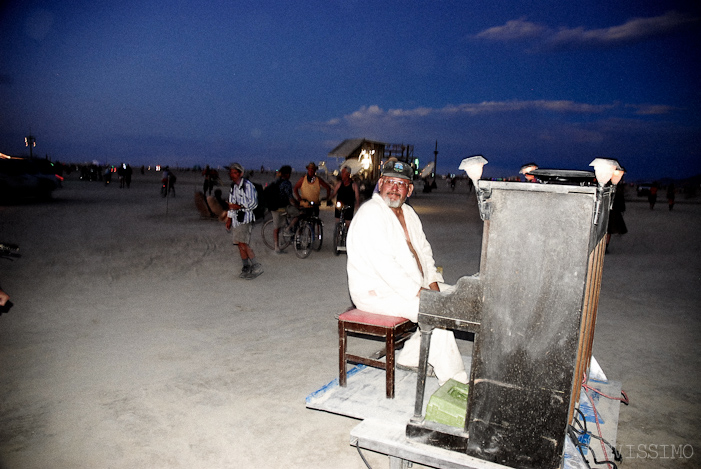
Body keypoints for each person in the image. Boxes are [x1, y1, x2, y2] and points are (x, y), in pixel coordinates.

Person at [346, 160, 469, 386]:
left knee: (458, 299)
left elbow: (424, 252)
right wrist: (424, 294)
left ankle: (411, 357)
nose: (394, 188)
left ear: (409, 189)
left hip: (411, 286)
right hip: (377, 292)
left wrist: (433, 285)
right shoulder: (371, 214)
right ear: (380, 183)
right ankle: (456, 383)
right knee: (436, 311)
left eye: (401, 184)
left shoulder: (409, 213)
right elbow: (386, 268)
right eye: (389, 182)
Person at [225, 163, 263, 279]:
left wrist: (239, 206)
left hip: (245, 219)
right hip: (237, 220)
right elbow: (231, 205)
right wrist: (229, 219)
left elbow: (253, 203)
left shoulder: (248, 186)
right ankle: (246, 266)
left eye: (235, 173)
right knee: (239, 244)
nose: (232, 175)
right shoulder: (234, 187)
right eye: (231, 172)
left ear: (241, 174)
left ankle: (256, 266)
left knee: (243, 243)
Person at [270, 165, 301, 253]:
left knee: (276, 227)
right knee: (298, 213)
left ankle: (276, 247)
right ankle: (288, 228)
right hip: (283, 207)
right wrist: (297, 205)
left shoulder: (276, 182)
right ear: (287, 174)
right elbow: (290, 198)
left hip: (274, 207)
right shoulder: (287, 183)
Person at [606, 182, 627, 253]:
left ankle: (605, 246)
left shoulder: (617, 189)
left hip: (613, 211)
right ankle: (604, 246)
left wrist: (622, 208)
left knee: (609, 229)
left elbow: (620, 199)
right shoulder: (610, 187)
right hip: (607, 209)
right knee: (607, 229)